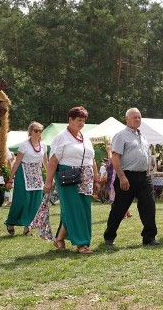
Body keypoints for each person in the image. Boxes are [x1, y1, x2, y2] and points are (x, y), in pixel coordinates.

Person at [44, 106, 100, 254]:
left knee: (82, 209)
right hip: (67, 174)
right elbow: (53, 161)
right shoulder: (61, 137)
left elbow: (92, 159)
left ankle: (60, 238)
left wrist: (97, 178)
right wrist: (48, 182)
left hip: (86, 176)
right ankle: (81, 244)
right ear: (70, 119)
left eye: (83, 120)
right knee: (74, 209)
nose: (81, 123)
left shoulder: (85, 137)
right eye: (78, 120)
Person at [103, 108, 159, 246]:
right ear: (126, 119)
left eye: (139, 117)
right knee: (120, 207)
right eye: (134, 117)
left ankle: (149, 237)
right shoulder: (121, 136)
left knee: (149, 205)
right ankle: (109, 236)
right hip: (126, 175)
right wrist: (122, 177)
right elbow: (115, 158)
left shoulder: (143, 137)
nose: (137, 119)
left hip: (143, 176)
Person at [5, 121, 48, 236]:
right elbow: (17, 162)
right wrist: (10, 178)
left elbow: (45, 162)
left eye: (40, 131)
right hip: (23, 173)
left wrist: (50, 176)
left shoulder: (43, 146)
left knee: (35, 201)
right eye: (36, 130)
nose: (38, 133)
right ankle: (11, 222)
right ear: (30, 131)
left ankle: (27, 227)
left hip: (37, 174)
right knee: (22, 200)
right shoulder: (24, 145)